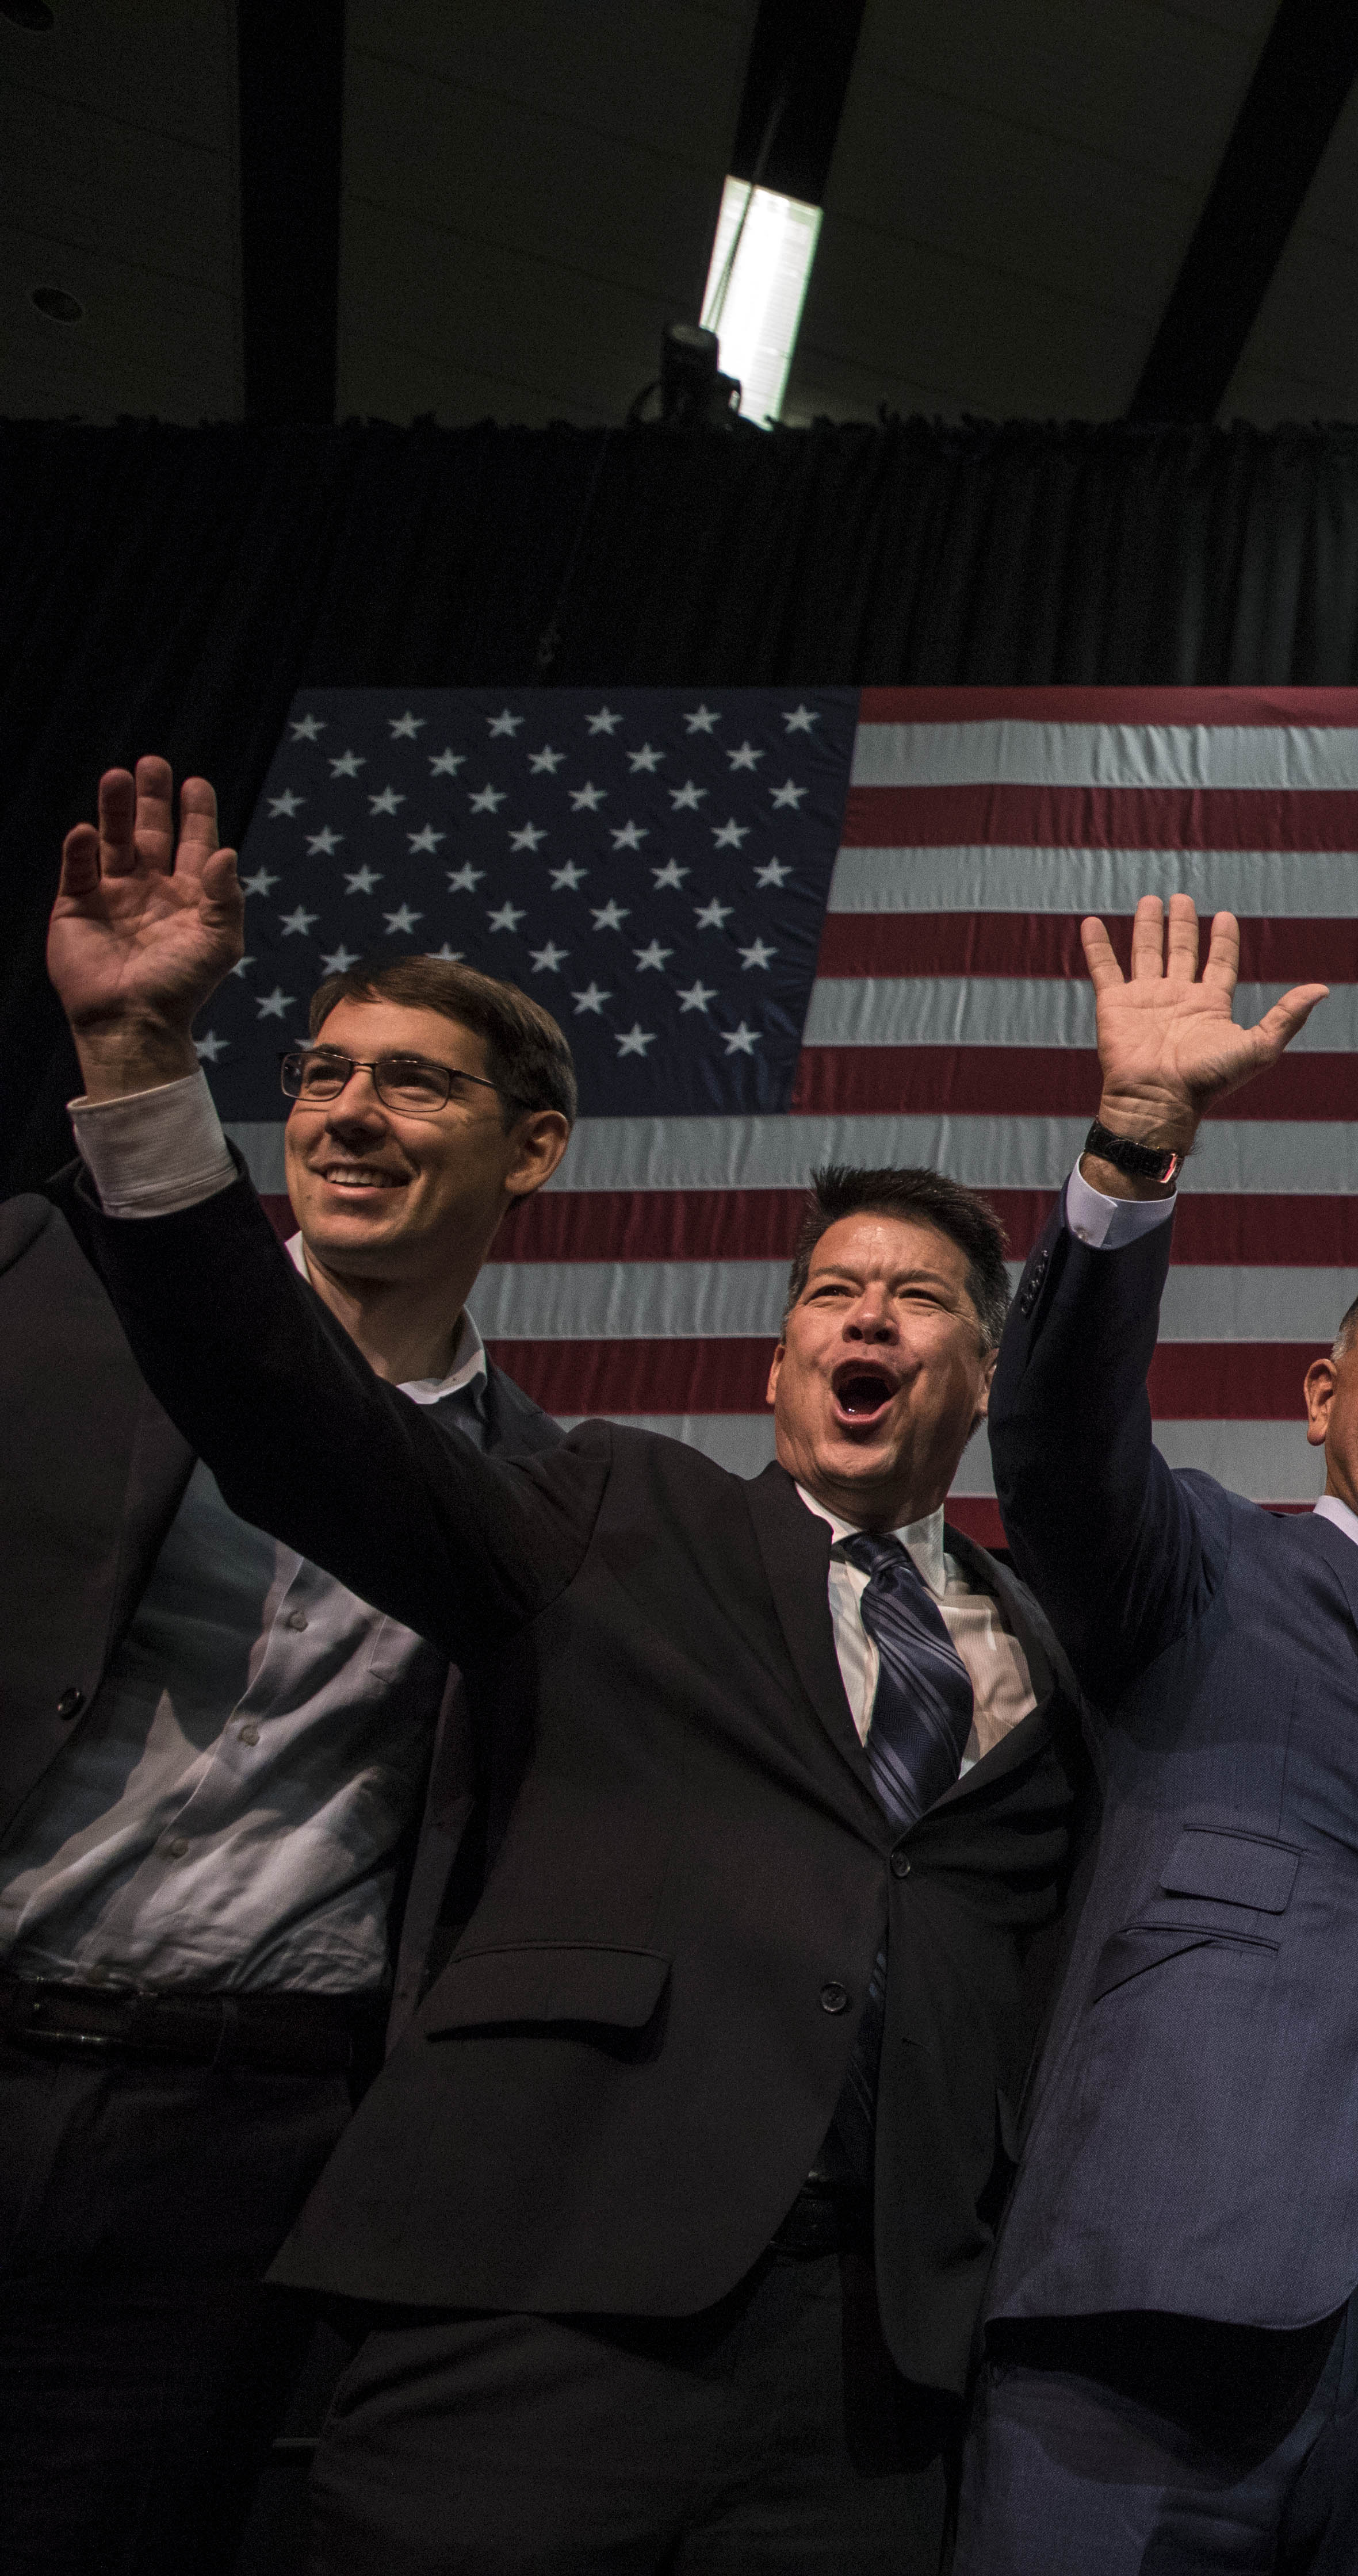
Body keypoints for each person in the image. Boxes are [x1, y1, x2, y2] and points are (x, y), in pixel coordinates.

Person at [41, 756, 1086, 2573]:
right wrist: (142, 1073)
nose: (866, 1316)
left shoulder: (1041, 1663)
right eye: (831, 1289)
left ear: (980, 1374)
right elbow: (293, 1421)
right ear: (775, 1360)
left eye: (917, 1299)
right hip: (548, 2305)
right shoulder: (610, 1504)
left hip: (864, 2372)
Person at [955, 895, 1358, 2573]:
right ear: (1319, 1399)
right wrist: (1135, 1149)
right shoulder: (1197, 1569)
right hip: (1153, 2331)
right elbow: (1057, 1435)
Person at [3, 773, 570, 2576]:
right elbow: (234, 1352)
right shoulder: (47, 1297)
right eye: (321, 1072)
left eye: (412, 1080)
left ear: (530, 1151)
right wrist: (138, 1061)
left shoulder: (549, 1504)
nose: (346, 1112)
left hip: (247, 2141)